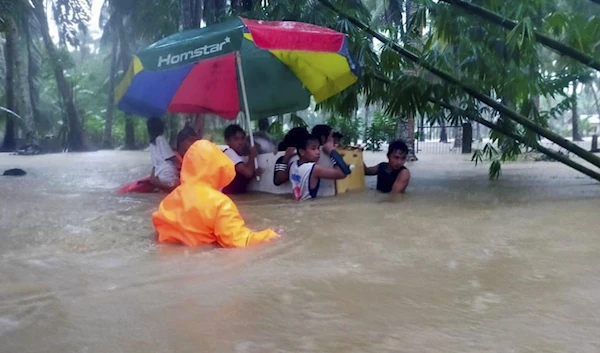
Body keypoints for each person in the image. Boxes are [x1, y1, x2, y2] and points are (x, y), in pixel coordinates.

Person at [152, 140, 280, 248]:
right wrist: (269, 235)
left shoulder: (168, 201)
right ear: (217, 167)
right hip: (202, 265)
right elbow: (240, 241)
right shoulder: (220, 204)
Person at [289, 134, 348, 201]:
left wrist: (287, 157)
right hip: (308, 207)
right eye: (313, 149)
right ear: (302, 152)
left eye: (318, 148)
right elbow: (342, 173)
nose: (318, 152)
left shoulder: (292, 165)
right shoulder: (314, 168)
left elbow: (278, 180)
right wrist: (331, 151)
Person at [222, 124, 261, 194]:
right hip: (228, 196)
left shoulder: (242, 157)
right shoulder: (228, 153)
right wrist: (252, 156)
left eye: (242, 138)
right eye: (236, 139)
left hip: (238, 196)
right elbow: (248, 173)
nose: (240, 142)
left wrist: (254, 173)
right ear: (227, 141)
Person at [147, 117, 180, 192]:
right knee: (174, 189)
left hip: (160, 174)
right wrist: (182, 164)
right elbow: (170, 157)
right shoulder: (161, 139)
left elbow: (159, 156)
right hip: (167, 171)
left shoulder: (152, 142)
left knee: (164, 192)